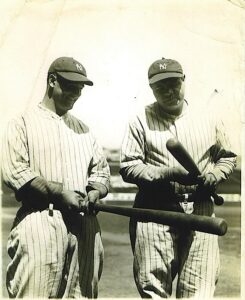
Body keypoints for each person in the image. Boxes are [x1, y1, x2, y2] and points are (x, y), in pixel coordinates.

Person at [120, 57, 237, 298]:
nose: (168, 91)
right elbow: (129, 166)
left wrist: (215, 175)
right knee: (153, 291)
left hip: (200, 206)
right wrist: (166, 173)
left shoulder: (209, 116)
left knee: (199, 291)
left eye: (173, 83)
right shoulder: (139, 120)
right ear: (151, 88)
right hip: (155, 209)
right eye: (160, 86)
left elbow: (228, 156)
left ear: (184, 80)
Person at [1, 56, 110, 298]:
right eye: (71, 86)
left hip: (85, 224)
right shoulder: (21, 123)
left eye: (81, 88)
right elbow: (15, 172)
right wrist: (61, 193)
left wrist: (95, 190)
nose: (77, 93)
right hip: (40, 218)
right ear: (52, 81)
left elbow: (102, 172)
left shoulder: (85, 130)